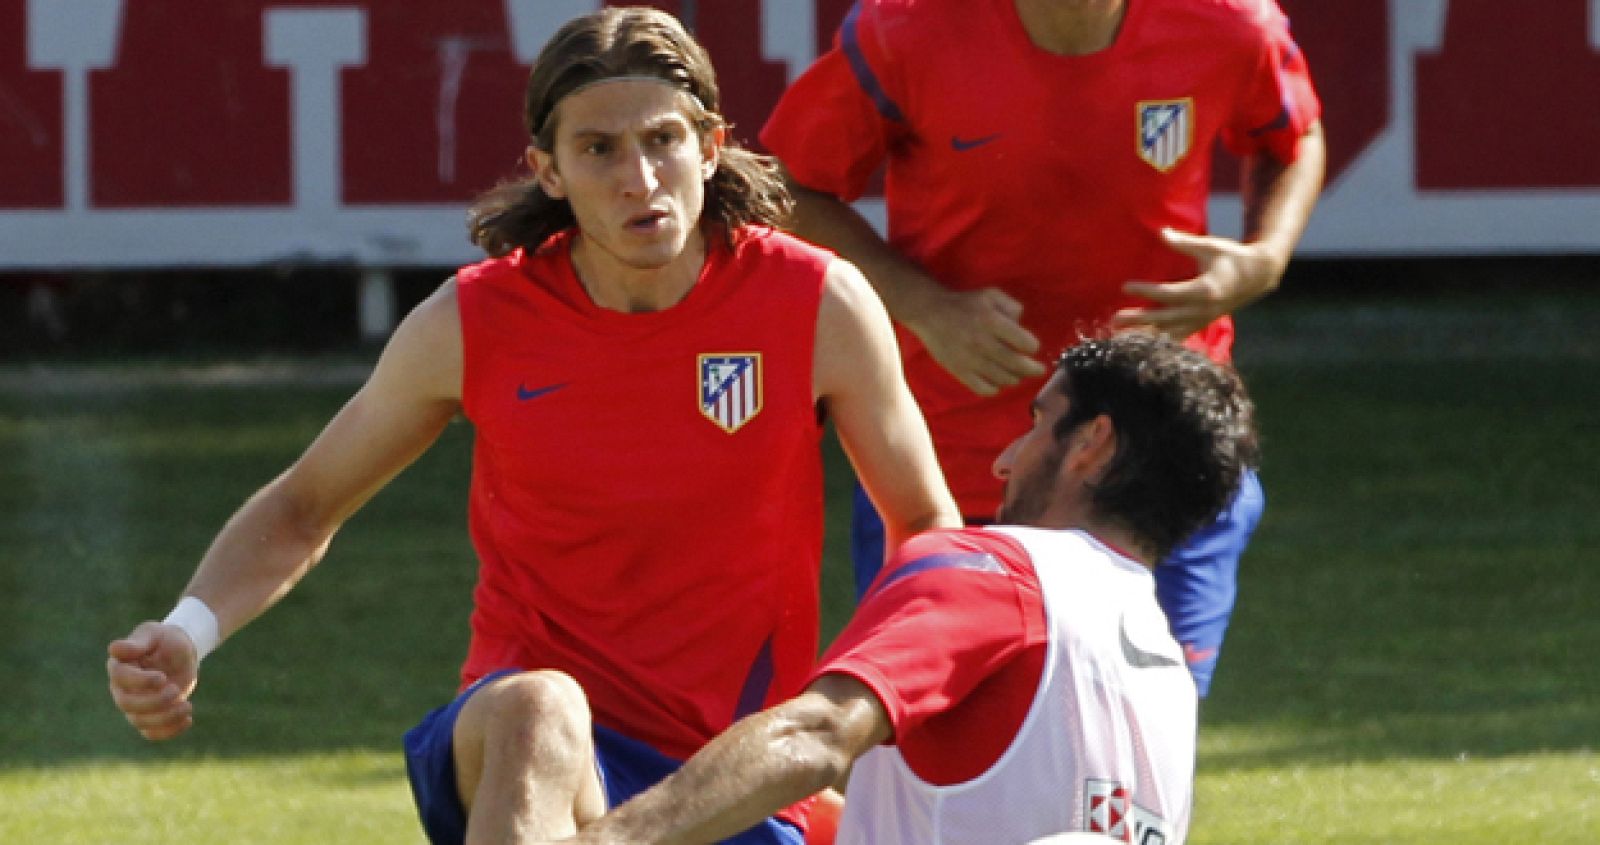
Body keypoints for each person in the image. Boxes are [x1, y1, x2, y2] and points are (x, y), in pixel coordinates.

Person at [104, 8, 959, 844]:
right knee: (540, 706)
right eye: (598, 149)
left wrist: (865, 715)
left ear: (710, 142)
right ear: (548, 170)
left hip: (730, 771)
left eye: (662, 139)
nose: (640, 177)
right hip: (525, 745)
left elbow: (925, 529)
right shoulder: (475, 321)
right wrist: (185, 632)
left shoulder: (817, 301)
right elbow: (304, 506)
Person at [761, 0, 1325, 695]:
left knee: (1147, 718)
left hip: (1167, 446)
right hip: (954, 462)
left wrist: (1264, 257)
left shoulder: (1231, 22)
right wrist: (921, 304)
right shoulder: (903, 29)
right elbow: (785, 183)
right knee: (940, 737)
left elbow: (1294, 136)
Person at [545, 331, 1261, 845]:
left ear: (1091, 443)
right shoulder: (1167, 671)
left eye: (1036, 422)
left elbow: (818, 734)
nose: (1006, 461)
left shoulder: (995, 571)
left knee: (528, 716)